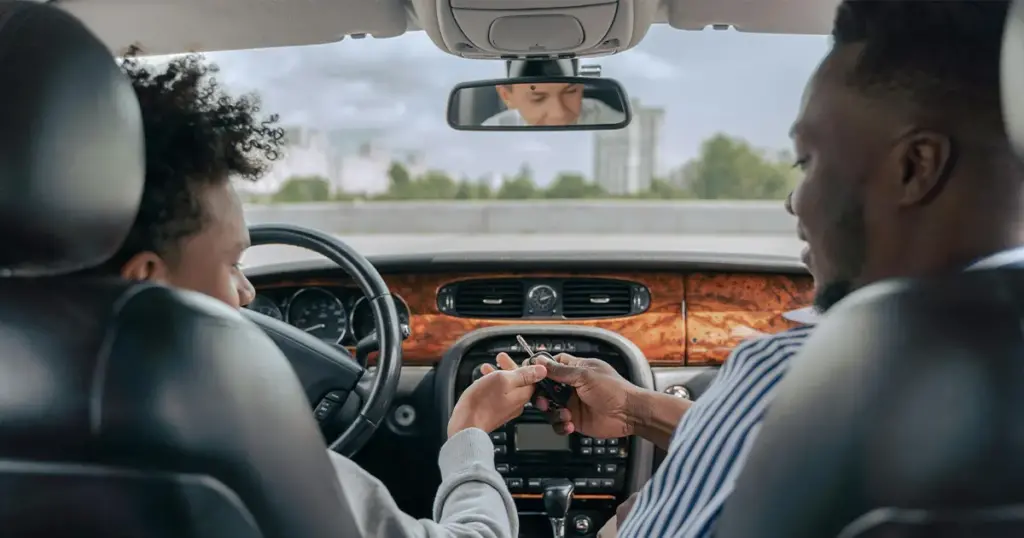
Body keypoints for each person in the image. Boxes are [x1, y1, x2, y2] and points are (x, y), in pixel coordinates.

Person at [520, 1, 1024, 537]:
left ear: (914, 167)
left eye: (806, 163)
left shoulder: (793, 371)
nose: (793, 202)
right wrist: (637, 410)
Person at [107, 51, 543, 538]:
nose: (248, 295)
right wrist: (471, 432)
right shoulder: (259, 468)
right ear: (145, 281)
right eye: (232, 265)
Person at [482, 81, 626, 126]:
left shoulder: (596, 112)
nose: (559, 113)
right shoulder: (495, 126)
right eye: (537, 97)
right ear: (507, 96)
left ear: (582, 88)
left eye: (571, 92)